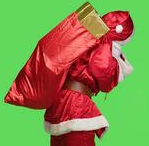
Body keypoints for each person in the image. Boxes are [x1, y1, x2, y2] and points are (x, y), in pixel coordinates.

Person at [44, 11, 134, 146]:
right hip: (76, 104)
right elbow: (102, 70)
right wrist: (115, 63)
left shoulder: (86, 38)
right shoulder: (103, 45)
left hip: (62, 99)